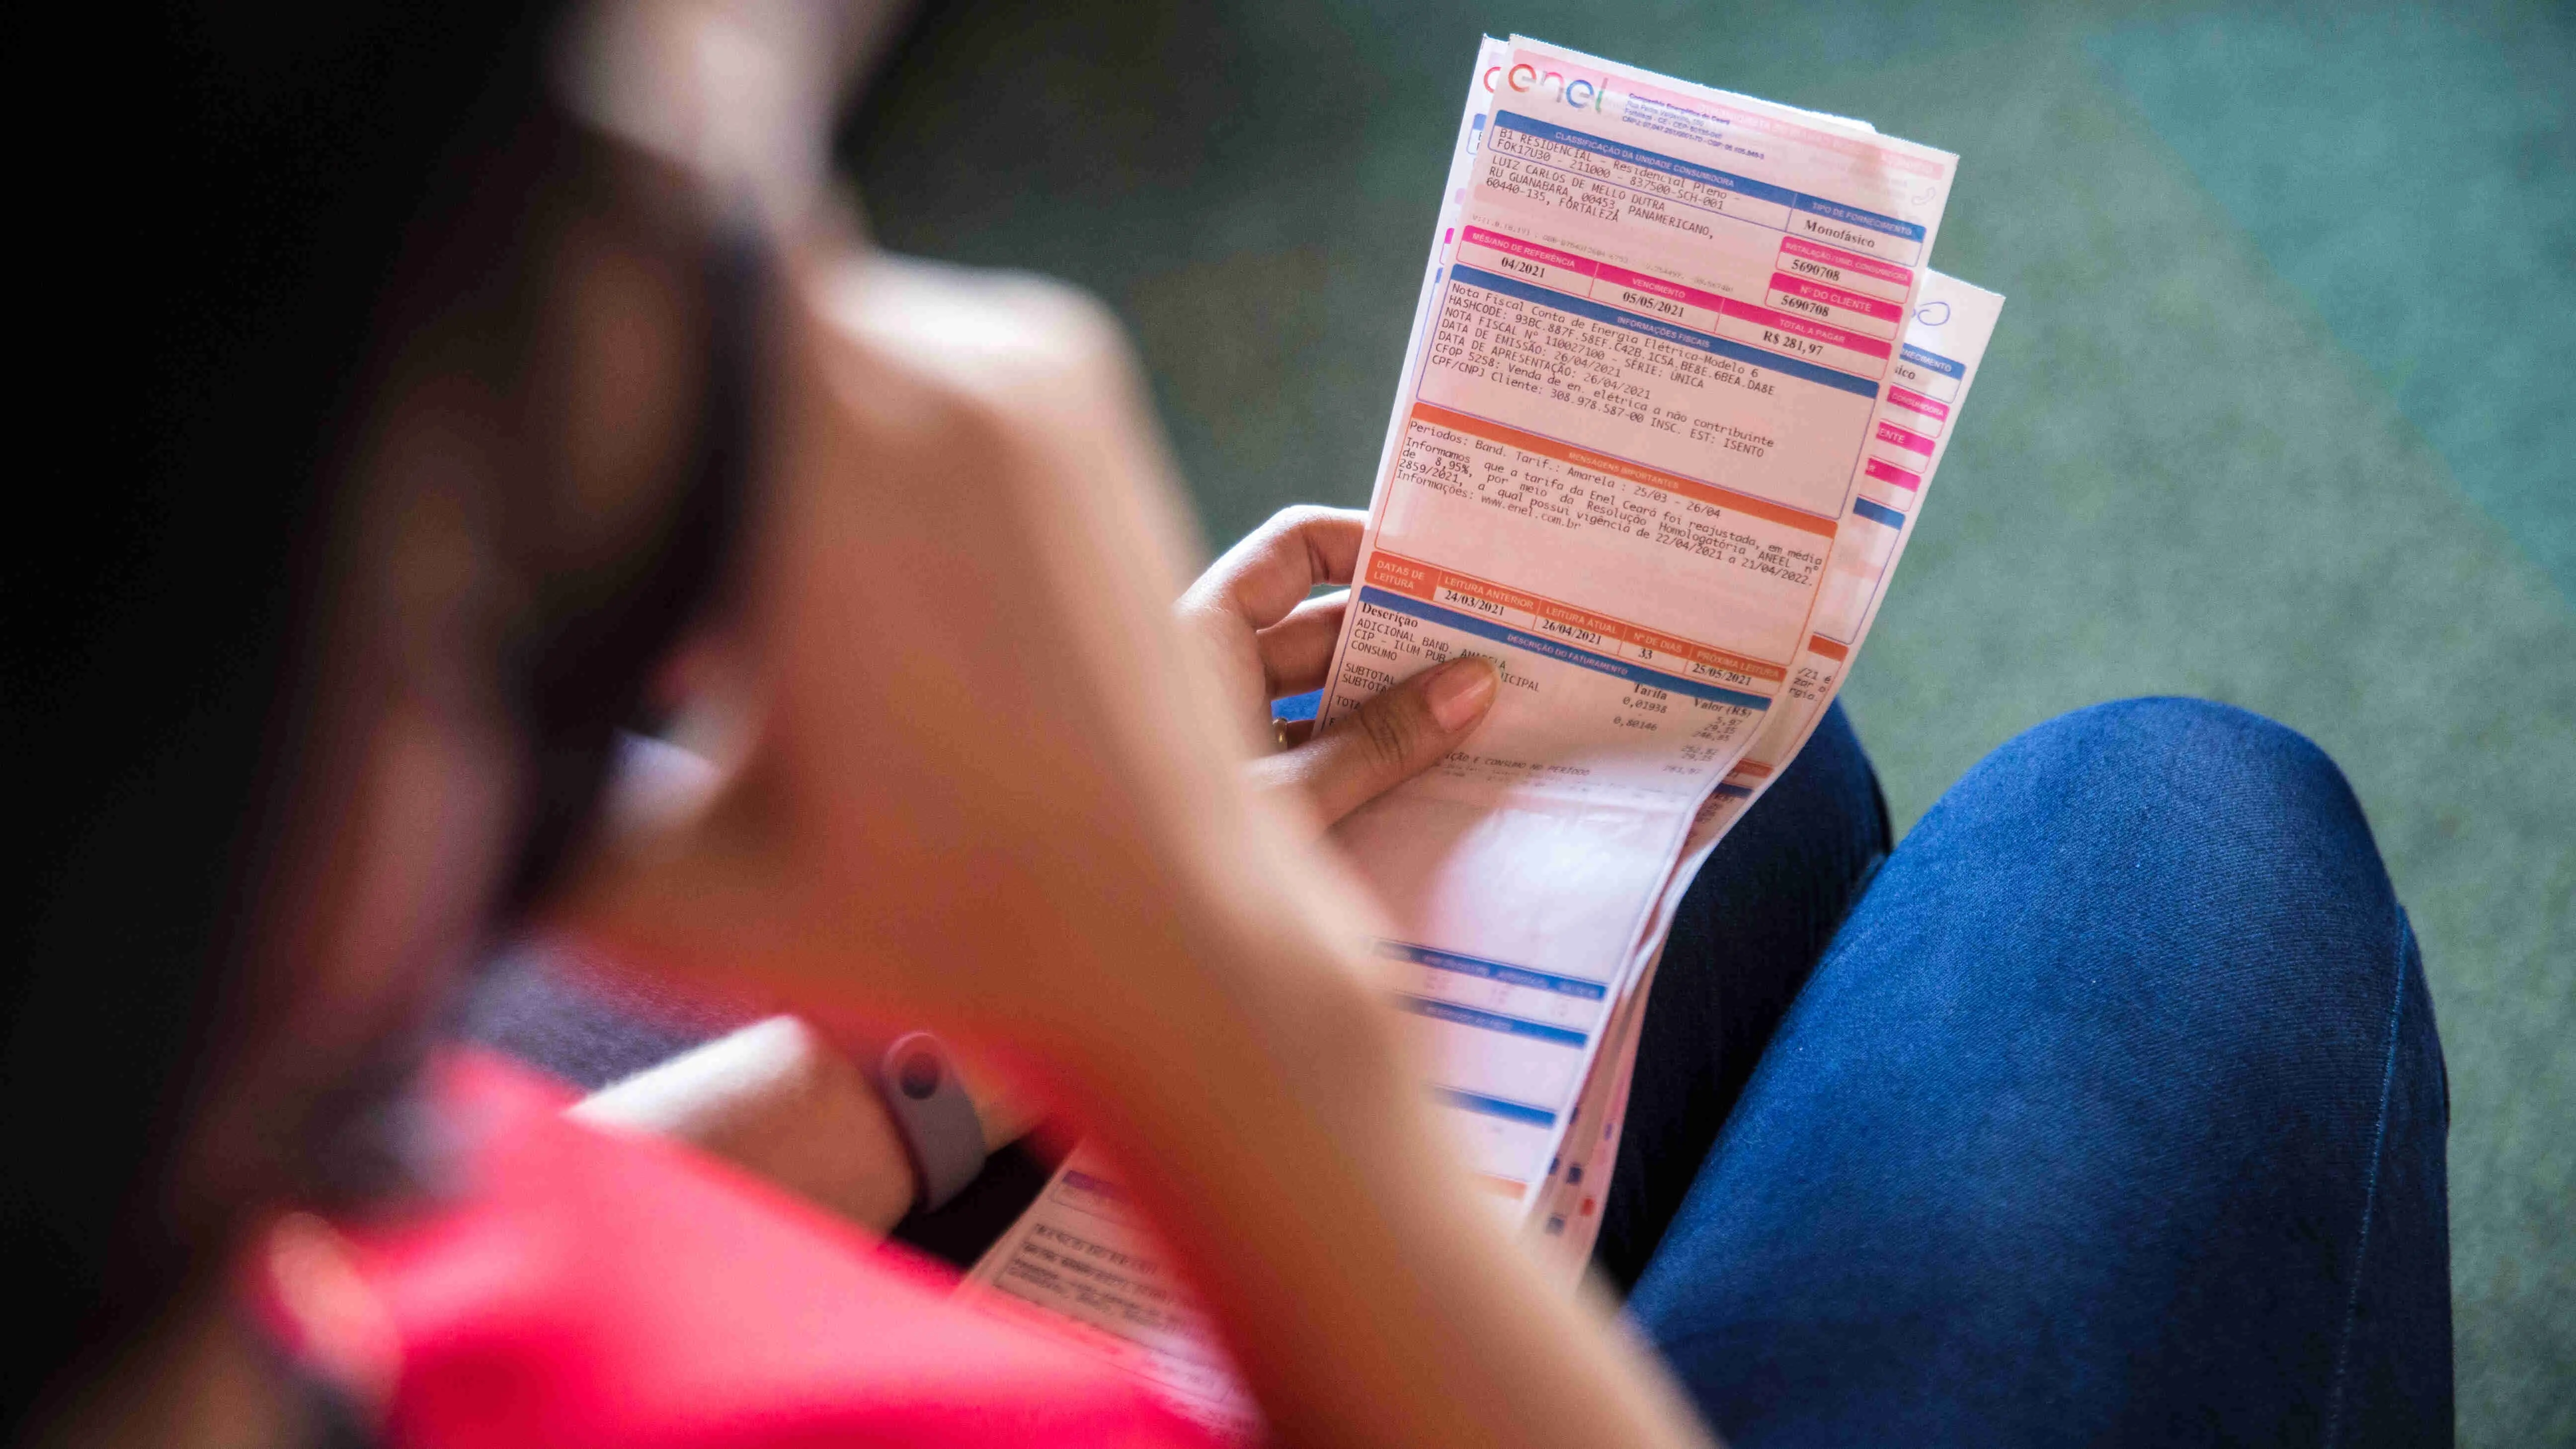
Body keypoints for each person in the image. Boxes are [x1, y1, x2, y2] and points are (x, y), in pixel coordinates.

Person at [6, 2, 2451, 1447]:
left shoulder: (201, 1202)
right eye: (511, 557)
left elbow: (388, 1259)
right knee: (2174, 852)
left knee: (1685, 771)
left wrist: (933, 1057)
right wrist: (1202, 1002)